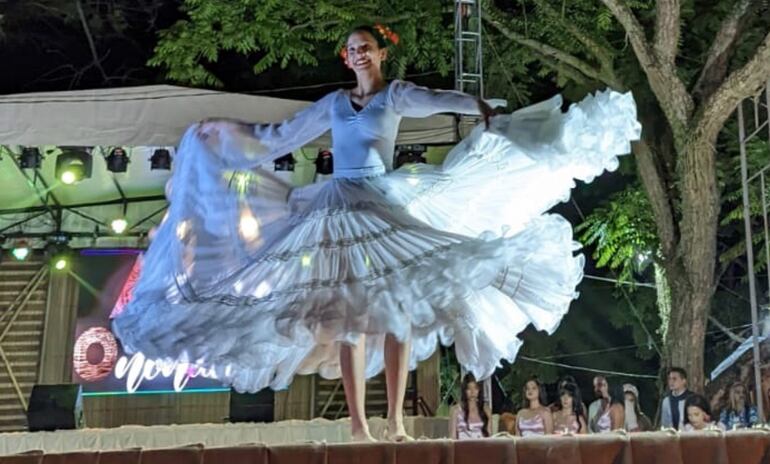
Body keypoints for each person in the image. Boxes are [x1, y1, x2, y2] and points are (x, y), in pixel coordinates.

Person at [111, 23, 640, 442]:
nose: (359, 55)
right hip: (337, 207)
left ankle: (397, 421)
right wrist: (224, 136)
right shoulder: (335, 104)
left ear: (380, 55)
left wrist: (475, 106)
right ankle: (360, 424)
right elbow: (281, 135)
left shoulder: (393, 97)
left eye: (366, 47)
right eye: (351, 50)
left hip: (382, 203)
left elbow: (435, 97)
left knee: (397, 313)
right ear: (346, 59)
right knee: (345, 317)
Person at [449, 373, 492, 439]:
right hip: (462, 447)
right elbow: (452, 438)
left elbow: (490, 439)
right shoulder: (456, 411)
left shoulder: (486, 410)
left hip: (482, 447)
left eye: (475, 388)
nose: (472, 392)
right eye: (469, 388)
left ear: (479, 390)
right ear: (465, 390)